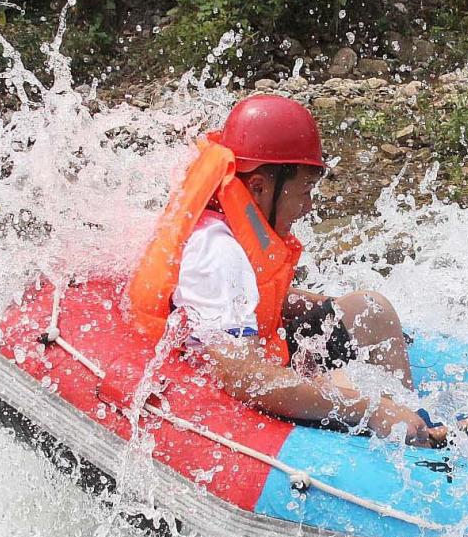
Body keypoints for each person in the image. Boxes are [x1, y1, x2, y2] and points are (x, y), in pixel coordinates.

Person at [126, 95, 433, 445]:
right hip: (227, 399)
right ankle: (411, 442)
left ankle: (418, 422)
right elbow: (242, 377)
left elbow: (251, 298)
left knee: (370, 310)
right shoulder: (220, 254)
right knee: (349, 386)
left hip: (259, 351)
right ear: (258, 186)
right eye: (304, 191)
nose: (308, 206)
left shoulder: (228, 224)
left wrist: (321, 308)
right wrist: (371, 410)